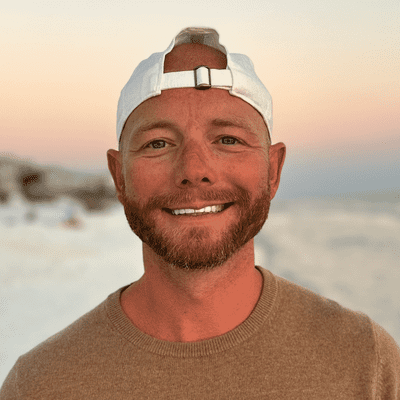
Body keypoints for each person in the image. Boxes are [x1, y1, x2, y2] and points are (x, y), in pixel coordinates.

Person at [1, 27, 399, 399]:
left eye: (228, 139)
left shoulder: (365, 361)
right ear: (119, 176)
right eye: (158, 143)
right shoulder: (39, 385)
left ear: (273, 170)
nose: (194, 170)